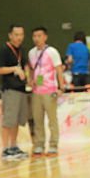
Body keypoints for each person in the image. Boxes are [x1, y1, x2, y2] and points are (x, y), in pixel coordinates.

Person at [27, 27, 65, 157]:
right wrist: (30, 80)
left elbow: (59, 69)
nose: (36, 39)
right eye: (34, 36)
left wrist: (61, 87)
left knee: (52, 120)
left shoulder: (52, 52)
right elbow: (31, 69)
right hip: (36, 91)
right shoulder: (31, 53)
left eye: (39, 36)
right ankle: (39, 145)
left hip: (50, 90)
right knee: (37, 120)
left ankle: (53, 145)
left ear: (45, 37)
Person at [0, 25, 30, 161]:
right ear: (10, 35)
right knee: (8, 120)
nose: (19, 37)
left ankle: (13, 146)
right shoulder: (4, 49)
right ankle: (5, 149)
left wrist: (27, 76)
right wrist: (14, 69)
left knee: (16, 120)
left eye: (21, 34)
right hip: (10, 90)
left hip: (21, 89)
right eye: (16, 34)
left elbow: (25, 66)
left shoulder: (22, 50)